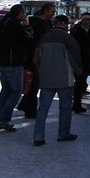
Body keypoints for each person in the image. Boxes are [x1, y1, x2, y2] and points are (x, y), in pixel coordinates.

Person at [32, 15, 82, 146]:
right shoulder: (69, 39)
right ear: (65, 24)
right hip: (65, 79)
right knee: (65, 108)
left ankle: (38, 136)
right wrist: (78, 73)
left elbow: (36, 59)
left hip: (46, 78)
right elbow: (76, 59)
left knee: (42, 108)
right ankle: (63, 133)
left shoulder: (44, 38)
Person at [0, 4, 34, 131]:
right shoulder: (17, 26)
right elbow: (29, 40)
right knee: (15, 92)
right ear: (19, 13)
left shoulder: (3, 24)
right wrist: (27, 27)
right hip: (14, 64)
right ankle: (3, 119)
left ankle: (0, 119)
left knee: (5, 92)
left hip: (2, 64)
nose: (24, 15)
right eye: (23, 13)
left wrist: (1, 54)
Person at [17, 3, 56, 119]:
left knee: (34, 85)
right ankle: (30, 111)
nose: (54, 14)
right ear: (45, 11)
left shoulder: (46, 23)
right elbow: (35, 41)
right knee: (34, 85)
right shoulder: (37, 23)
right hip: (35, 58)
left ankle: (26, 106)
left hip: (41, 57)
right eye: (52, 11)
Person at [69, 12, 90, 113]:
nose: (88, 21)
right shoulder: (75, 29)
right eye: (86, 19)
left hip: (87, 59)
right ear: (82, 20)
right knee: (78, 82)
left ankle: (76, 103)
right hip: (77, 59)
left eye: (89, 19)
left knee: (81, 82)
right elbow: (72, 43)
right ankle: (76, 104)